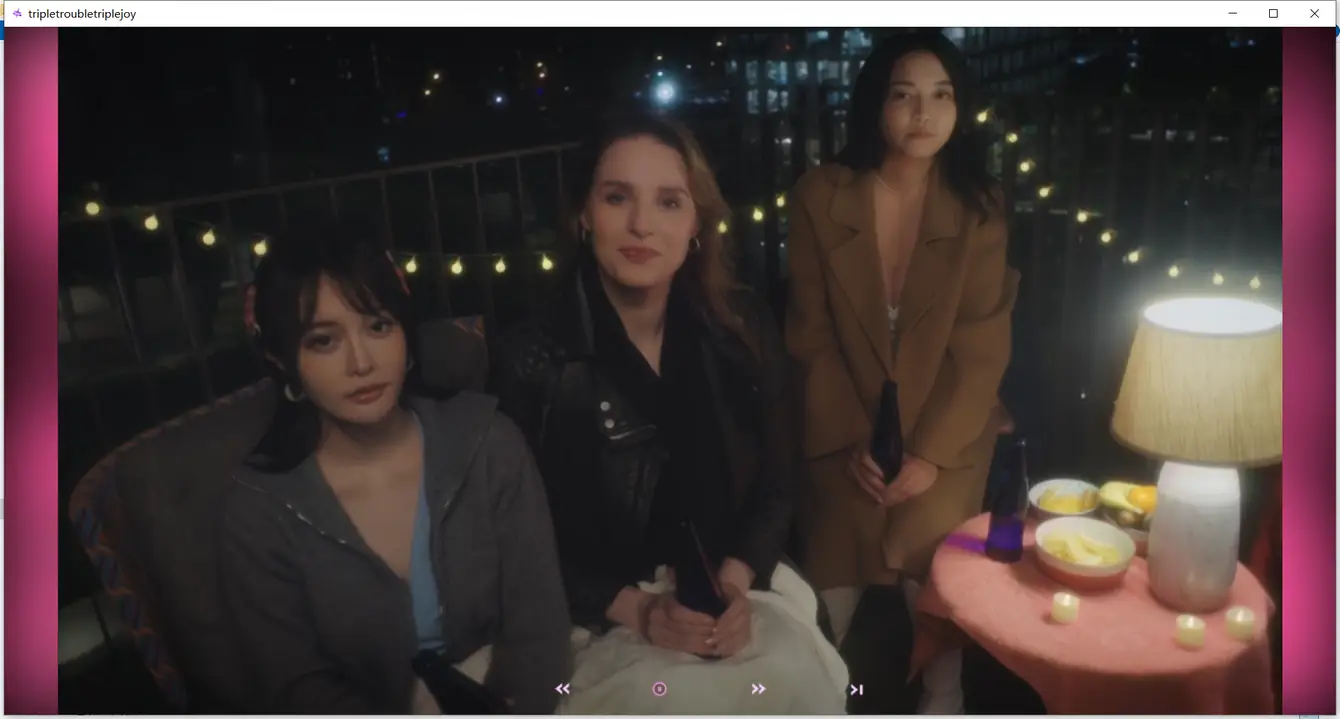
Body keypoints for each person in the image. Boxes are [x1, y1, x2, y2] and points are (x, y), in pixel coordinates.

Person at [491, 111, 847, 714]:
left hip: (735, 588)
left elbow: (777, 483)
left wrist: (733, 586)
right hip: (603, 615)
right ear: (584, 215)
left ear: (696, 224)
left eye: (669, 202)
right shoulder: (532, 357)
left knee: (787, 685)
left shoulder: (744, 327)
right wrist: (641, 610)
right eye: (617, 197)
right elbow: (521, 541)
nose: (641, 224)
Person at [216, 227, 572, 714]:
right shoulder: (259, 510)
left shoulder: (489, 443)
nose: (361, 362)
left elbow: (541, 626)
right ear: (281, 359)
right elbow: (293, 690)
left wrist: (520, 706)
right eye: (323, 341)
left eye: (379, 327)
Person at [784, 31, 1019, 713]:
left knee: (937, 579)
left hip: (946, 435)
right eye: (904, 95)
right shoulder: (819, 195)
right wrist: (851, 441)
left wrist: (930, 455)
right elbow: (809, 335)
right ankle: (816, 694)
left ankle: (944, 695)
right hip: (842, 431)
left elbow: (981, 346)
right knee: (825, 600)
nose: (924, 114)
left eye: (942, 96)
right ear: (876, 104)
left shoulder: (980, 206)